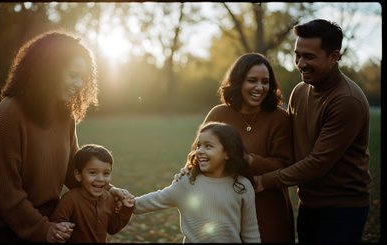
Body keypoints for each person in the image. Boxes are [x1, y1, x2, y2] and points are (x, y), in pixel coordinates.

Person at [0, 31, 130, 243]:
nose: (78, 84)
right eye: (72, 75)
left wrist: (109, 191)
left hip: (50, 220)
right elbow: (4, 191)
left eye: (83, 78)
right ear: (49, 71)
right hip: (5, 226)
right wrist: (43, 229)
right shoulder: (9, 113)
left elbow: (73, 171)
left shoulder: (65, 115)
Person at [254, 19, 372, 243]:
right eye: (297, 55)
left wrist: (262, 181)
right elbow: (287, 145)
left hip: (343, 208)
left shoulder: (347, 101)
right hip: (309, 202)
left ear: (333, 57)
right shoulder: (299, 91)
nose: (300, 63)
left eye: (309, 57)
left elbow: (318, 163)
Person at [176, 53, 295, 242]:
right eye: (252, 80)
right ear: (238, 82)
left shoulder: (279, 118)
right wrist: (187, 171)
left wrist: (248, 160)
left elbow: (286, 166)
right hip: (222, 208)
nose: (259, 87)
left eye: (265, 81)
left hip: (266, 208)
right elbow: (198, 154)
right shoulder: (218, 113)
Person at [134, 122, 261, 243]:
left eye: (208, 146)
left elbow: (250, 232)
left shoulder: (242, 186)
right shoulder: (187, 182)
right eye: (199, 145)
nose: (199, 151)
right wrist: (123, 201)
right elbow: (153, 200)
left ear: (228, 153)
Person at [50, 144, 135, 242]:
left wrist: (127, 209)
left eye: (106, 173)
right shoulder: (70, 199)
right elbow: (56, 224)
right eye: (93, 172)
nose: (100, 179)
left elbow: (112, 228)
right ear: (78, 175)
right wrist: (62, 229)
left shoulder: (109, 199)